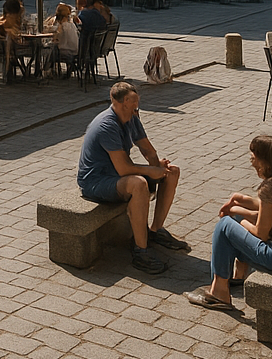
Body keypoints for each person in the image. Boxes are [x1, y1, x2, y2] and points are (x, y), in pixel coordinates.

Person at [186, 135, 272, 310]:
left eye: (253, 158)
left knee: (225, 226)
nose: (252, 163)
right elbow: (266, 209)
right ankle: (238, 276)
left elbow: (261, 232)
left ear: (264, 161)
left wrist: (239, 221)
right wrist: (238, 202)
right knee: (234, 220)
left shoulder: (269, 188)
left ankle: (219, 293)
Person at [77, 81, 188, 274]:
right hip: (96, 181)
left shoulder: (131, 116)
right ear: (122, 103)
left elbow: (147, 149)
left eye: (137, 104)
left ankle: (155, 231)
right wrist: (150, 171)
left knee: (172, 172)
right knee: (138, 184)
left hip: (116, 175)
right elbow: (123, 169)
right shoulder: (107, 125)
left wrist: (158, 167)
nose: (137, 108)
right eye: (133, 104)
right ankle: (141, 251)